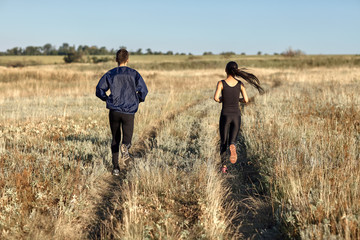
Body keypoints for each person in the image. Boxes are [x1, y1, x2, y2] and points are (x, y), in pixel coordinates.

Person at [96, 48, 148, 176]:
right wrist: (137, 100)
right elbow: (144, 91)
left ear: (116, 60)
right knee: (127, 138)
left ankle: (115, 168)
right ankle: (125, 147)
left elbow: (99, 90)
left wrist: (107, 99)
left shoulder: (110, 73)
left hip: (114, 110)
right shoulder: (134, 74)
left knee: (115, 138)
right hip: (129, 111)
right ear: (128, 59)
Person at [214, 61, 264, 173]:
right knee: (232, 140)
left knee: (223, 142)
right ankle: (233, 145)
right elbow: (246, 100)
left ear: (226, 70)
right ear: (236, 71)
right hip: (236, 116)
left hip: (225, 115)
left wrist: (223, 99)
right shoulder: (240, 84)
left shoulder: (221, 83)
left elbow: (216, 98)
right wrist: (237, 99)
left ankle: (223, 167)